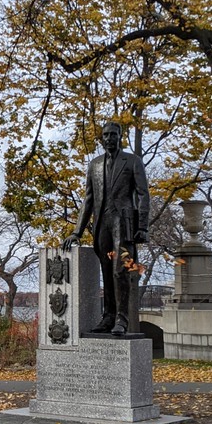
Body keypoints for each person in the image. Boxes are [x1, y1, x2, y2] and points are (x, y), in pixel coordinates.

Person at [61, 121, 151, 335]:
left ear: (120, 136)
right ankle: (108, 317)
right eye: (106, 135)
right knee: (107, 271)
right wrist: (77, 232)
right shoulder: (94, 165)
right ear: (101, 139)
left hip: (124, 223)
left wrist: (142, 226)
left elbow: (143, 194)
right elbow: (88, 200)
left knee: (120, 271)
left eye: (113, 134)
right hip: (102, 224)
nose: (109, 138)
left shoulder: (132, 161)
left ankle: (122, 319)